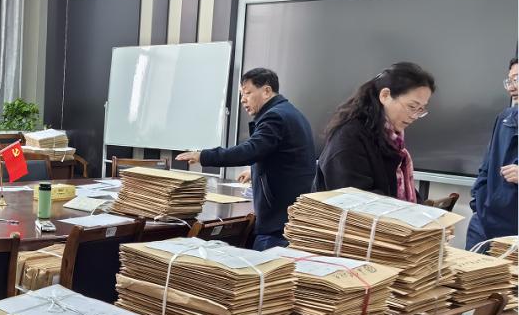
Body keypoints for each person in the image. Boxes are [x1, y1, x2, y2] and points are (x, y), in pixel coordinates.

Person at [176, 68, 315, 250]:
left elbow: (250, 150)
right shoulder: (291, 112)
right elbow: (283, 156)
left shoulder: (275, 117)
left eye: (247, 93)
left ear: (266, 91)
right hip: (290, 217)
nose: (243, 100)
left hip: (276, 224)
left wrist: (203, 155)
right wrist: (256, 170)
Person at [315, 62, 435, 201]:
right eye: (412, 106)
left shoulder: (392, 140)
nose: (414, 116)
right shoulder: (349, 137)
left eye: (420, 109)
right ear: (385, 95)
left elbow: (396, 188)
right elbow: (355, 199)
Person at [467, 58, 518, 249]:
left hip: (515, 228)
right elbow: (486, 166)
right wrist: (478, 204)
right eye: (509, 80)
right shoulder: (505, 117)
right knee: (467, 268)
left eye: (517, 79)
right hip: (484, 221)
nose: (511, 87)